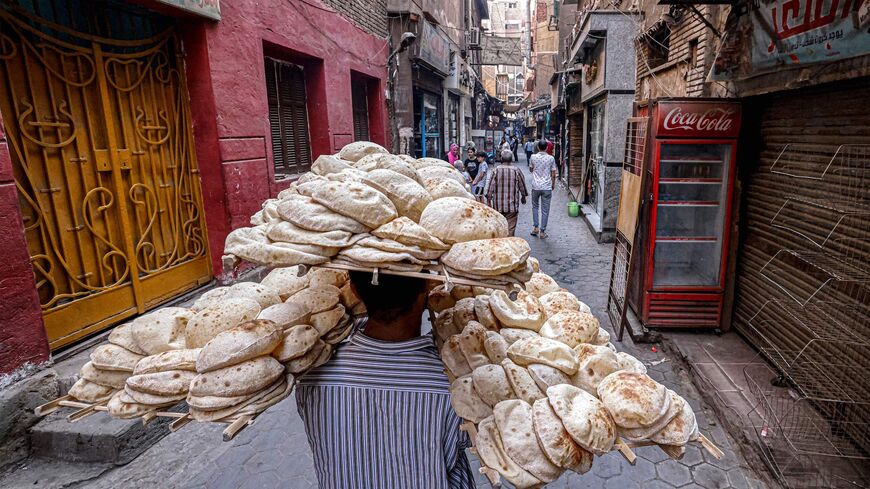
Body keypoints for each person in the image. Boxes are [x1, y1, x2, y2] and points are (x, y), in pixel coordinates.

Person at [296, 271, 474, 489]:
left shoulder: (310, 378)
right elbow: (470, 438)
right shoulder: (453, 385)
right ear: (428, 287)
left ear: (354, 290)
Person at [485, 149, 528, 236]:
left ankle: (500, 244)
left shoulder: (495, 170)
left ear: (501, 158)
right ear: (511, 159)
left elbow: (490, 188)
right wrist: (523, 196)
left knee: (499, 227)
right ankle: (508, 243)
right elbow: (522, 186)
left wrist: (489, 200)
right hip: (512, 206)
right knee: (510, 228)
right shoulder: (516, 170)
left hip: (498, 206)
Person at [529, 140, 557, 239]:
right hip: (546, 186)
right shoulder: (551, 158)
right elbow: (553, 173)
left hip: (535, 186)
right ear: (546, 148)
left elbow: (531, 169)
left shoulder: (533, 157)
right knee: (545, 210)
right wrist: (553, 184)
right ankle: (542, 232)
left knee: (535, 207)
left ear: (537, 148)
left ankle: (535, 227)